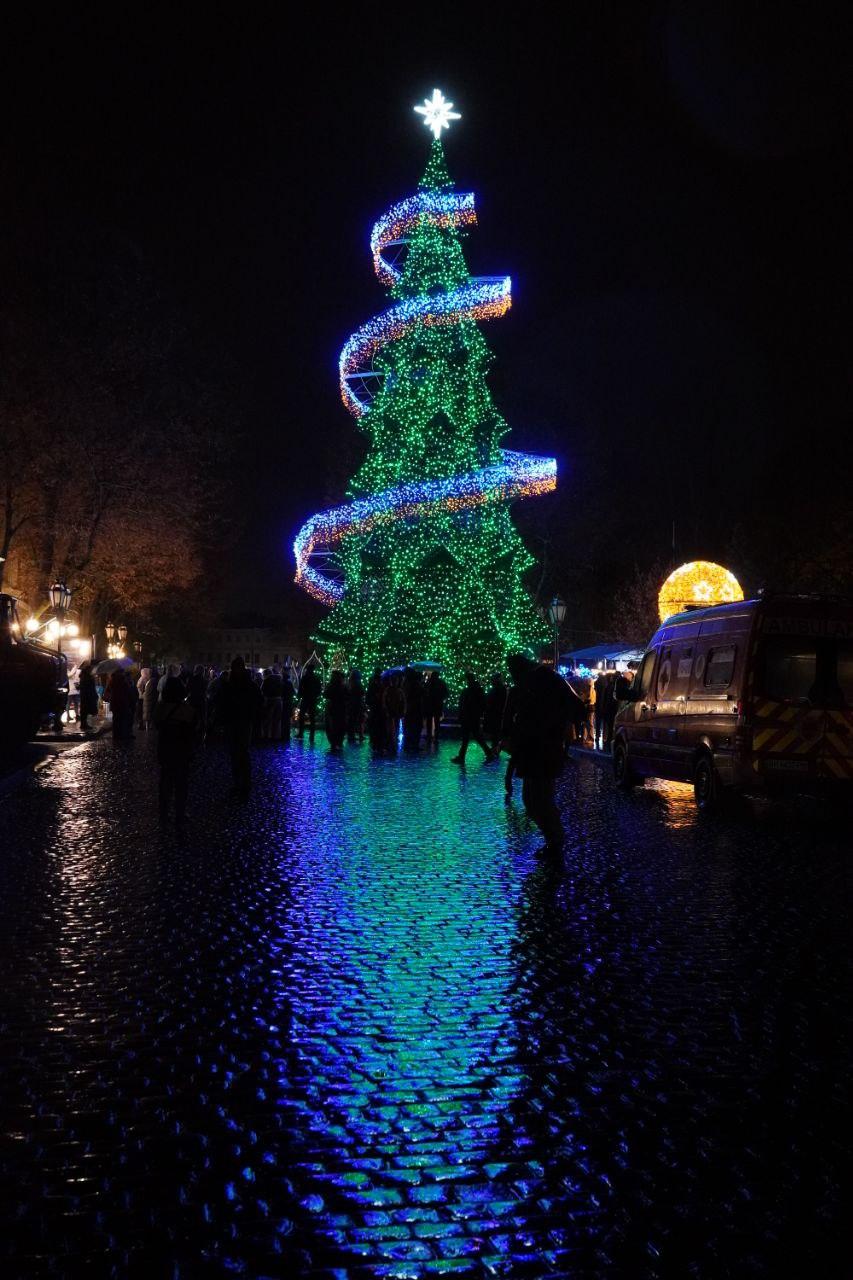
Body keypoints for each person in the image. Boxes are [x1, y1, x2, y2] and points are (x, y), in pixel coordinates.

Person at [506, 653, 583, 854]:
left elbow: (574, 706)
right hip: (535, 749)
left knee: (539, 799)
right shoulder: (535, 681)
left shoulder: (544, 680)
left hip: (544, 749)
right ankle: (553, 839)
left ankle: (555, 841)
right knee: (532, 800)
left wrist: (553, 726)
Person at [154, 675, 198, 832]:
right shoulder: (188, 710)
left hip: (165, 749)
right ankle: (179, 813)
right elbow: (193, 731)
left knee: (165, 782)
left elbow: (156, 725)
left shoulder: (160, 708)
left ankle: (164, 813)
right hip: (182, 751)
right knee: (181, 784)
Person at [218, 655, 263, 800]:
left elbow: (222, 703)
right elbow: (259, 702)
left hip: (237, 722)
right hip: (241, 722)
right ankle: (242, 783)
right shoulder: (249, 684)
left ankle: (240, 783)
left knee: (239, 753)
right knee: (240, 753)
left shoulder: (230, 684)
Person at [451, 672, 496, 764]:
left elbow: (465, 704)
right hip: (473, 716)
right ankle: (488, 753)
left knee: (467, 737)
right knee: (475, 736)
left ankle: (462, 757)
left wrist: (462, 714)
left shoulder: (470, 690)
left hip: (469, 716)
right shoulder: (477, 690)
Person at [483, 673, 508, 755]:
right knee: (495, 732)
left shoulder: (499, 689)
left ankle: (496, 748)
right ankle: (495, 748)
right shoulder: (500, 688)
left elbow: (496, 701)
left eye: (493, 679)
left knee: (495, 732)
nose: (492, 680)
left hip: (495, 713)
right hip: (495, 713)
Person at [297, 662, 322, 741]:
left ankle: (301, 733)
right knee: (312, 717)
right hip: (313, 699)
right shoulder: (316, 678)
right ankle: (312, 734)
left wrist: (299, 696)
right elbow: (319, 689)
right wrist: (316, 696)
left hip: (305, 698)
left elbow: (300, 688)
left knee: (302, 716)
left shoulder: (304, 677)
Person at [324, 669, 348, 750]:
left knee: (332, 726)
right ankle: (338, 742)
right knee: (340, 725)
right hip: (341, 709)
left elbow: (326, 694)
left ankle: (334, 743)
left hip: (333, 708)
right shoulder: (343, 686)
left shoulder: (331, 685)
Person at [402, 668, 424, 749]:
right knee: (416, 727)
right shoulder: (416, 685)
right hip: (416, 708)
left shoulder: (405, 683)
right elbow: (422, 693)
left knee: (409, 726)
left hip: (408, 708)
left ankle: (408, 744)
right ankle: (414, 744)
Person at [424, 670, 448, 742]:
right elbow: (446, 692)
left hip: (430, 704)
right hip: (437, 704)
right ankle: (436, 737)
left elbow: (425, 691)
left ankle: (429, 736)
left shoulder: (428, 682)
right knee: (437, 721)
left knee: (429, 720)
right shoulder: (441, 682)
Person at [383, 673, 405, 750]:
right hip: (392, 711)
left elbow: (402, 702)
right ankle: (391, 741)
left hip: (396, 711)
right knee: (391, 727)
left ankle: (392, 740)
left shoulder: (398, 691)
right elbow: (385, 701)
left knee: (395, 726)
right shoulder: (390, 690)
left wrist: (402, 711)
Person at [261, 667, 284, 741]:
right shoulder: (279, 680)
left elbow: (263, 690)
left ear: (266, 674)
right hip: (279, 700)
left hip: (270, 700)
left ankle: (267, 735)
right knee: (277, 719)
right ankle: (276, 736)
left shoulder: (266, 680)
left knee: (268, 718)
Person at [366, 668, 385, 751]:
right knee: (377, 726)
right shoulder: (380, 686)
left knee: (375, 726)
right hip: (377, 709)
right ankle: (376, 743)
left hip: (375, 709)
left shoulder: (373, 685)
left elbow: (367, 699)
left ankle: (375, 742)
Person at [79, 661, 99, 734]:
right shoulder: (86, 677)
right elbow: (88, 687)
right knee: (85, 710)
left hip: (86, 695)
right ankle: (83, 724)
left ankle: (84, 723)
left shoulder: (85, 676)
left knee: (85, 710)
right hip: (87, 695)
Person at [346, 670, 366, 744]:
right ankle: (357, 735)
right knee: (359, 720)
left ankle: (351, 735)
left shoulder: (350, 683)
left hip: (352, 704)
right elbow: (362, 692)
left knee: (352, 720)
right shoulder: (357, 683)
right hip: (357, 704)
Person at [142, 665, 160, 730]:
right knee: (149, 713)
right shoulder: (151, 681)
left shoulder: (152, 681)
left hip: (149, 700)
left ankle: (149, 727)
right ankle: (149, 726)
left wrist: (144, 694)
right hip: (149, 700)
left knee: (150, 714)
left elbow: (150, 691)